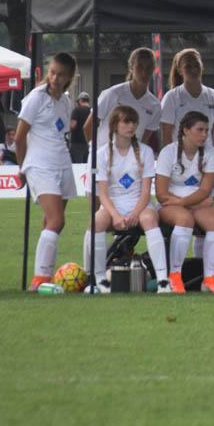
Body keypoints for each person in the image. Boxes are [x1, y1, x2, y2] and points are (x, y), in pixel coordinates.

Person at [85, 105, 169, 293]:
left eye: (134, 122)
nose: (131, 126)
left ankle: (163, 280)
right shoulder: (101, 154)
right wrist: (115, 216)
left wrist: (134, 214)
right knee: (96, 221)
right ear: (115, 125)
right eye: (126, 122)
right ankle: (97, 279)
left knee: (148, 219)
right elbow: (103, 194)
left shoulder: (146, 151)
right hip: (113, 205)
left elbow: (146, 192)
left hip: (140, 205)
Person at [16, 52, 78, 291]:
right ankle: (39, 279)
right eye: (52, 72)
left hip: (62, 162)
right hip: (40, 164)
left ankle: (46, 275)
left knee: (52, 222)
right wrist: (22, 168)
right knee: (56, 219)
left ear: (69, 77)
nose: (54, 78)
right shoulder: (35, 97)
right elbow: (20, 137)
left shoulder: (65, 100)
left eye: (60, 74)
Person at [154, 110, 214, 294]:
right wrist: (189, 204)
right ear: (185, 130)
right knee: (185, 220)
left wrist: (184, 202)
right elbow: (162, 194)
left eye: (207, 131)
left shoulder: (211, 152)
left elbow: (205, 190)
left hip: (189, 202)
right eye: (200, 130)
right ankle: (175, 276)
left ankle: (209, 279)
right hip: (171, 205)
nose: (204, 135)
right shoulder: (168, 152)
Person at [160, 48, 214, 149]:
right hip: (180, 158)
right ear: (180, 71)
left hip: (207, 159)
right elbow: (166, 135)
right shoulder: (171, 97)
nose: (193, 69)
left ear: (202, 66)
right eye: (188, 66)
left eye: (196, 65)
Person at [69, 92, 91, 164]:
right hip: (89, 143)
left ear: (80, 101)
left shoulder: (77, 110)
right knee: (87, 165)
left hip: (76, 143)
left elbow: (73, 125)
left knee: (77, 167)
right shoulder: (92, 112)